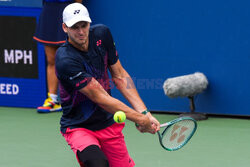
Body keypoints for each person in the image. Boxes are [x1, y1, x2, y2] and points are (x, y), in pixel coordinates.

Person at [56, 3, 161, 167]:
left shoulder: (102, 34)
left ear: (89, 23)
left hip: (108, 123)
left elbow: (119, 75)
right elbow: (101, 98)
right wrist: (140, 119)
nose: (81, 31)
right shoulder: (65, 60)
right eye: (75, 27)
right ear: (65, 27)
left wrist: (144, 112)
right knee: (97, 163)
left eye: (84, 25)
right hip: (79, 127)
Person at [33, 0, 83, 113]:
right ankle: (53, 100)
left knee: (73, 58)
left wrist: (77, 13)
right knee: (51, 59)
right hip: (49, 10)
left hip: (69, 11)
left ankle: (78, 99)